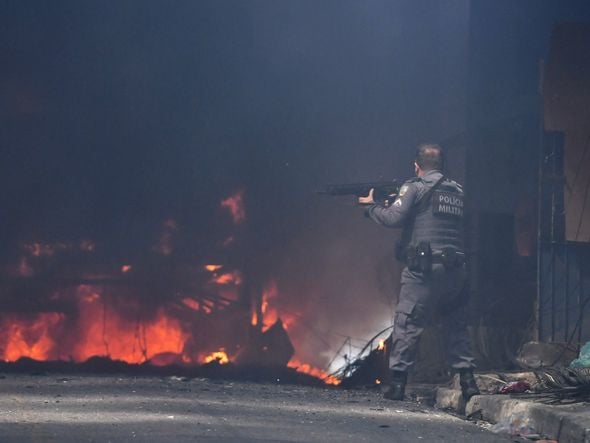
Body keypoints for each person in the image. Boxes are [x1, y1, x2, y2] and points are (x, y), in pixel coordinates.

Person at [359, 143, 479, 401]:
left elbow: (393, 219)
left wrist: (371, 207)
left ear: (417, 166)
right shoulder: (456, 190)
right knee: (457, 327)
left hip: (424, 271)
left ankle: (398, 385)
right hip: (456, 270)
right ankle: (469, 383)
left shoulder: (414, 187)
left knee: (407, 322)